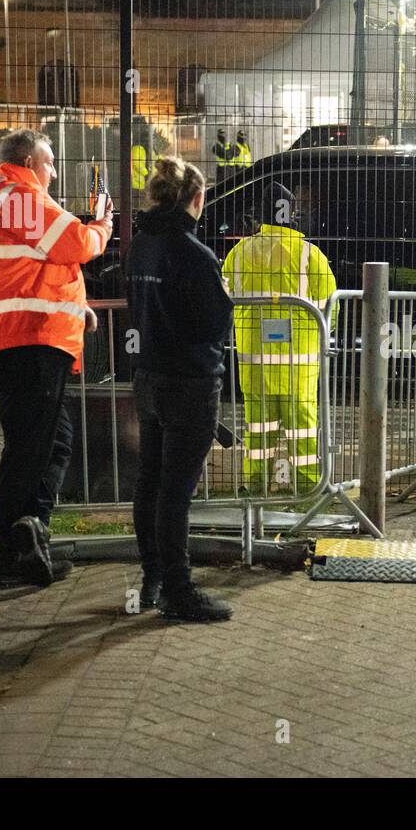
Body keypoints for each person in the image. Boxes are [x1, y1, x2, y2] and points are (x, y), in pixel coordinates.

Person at [0, 128, 113, 587]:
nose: (55, 172)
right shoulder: (21, 195)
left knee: (53, 441)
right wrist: (103, 223)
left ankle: (30, 538)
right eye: (49, 162)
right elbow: (77, 244)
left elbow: (21, 270)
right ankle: (13, 558)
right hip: (26, 343)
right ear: (27, 163)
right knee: (29, 448)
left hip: (4, 342)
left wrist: (73, 306)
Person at [125, 157, 234, 621]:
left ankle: (153, 578)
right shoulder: (194, 255)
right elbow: (215, 322)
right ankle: (179, 590)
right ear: (197, 199)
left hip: (149, 378)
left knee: (150, 483)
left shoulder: (141, 247)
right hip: (189, 383)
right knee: (176, 493)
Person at [222, 182, 336, 494]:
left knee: (258, 429)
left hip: (255, 366)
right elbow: (330, 307)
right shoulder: (309, 256)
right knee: (303, 428)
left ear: (258, 216)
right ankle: (309, 486)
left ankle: (255, 486)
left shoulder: (238, 254)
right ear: (292, 215)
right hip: (299, 368)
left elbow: (223, 301)